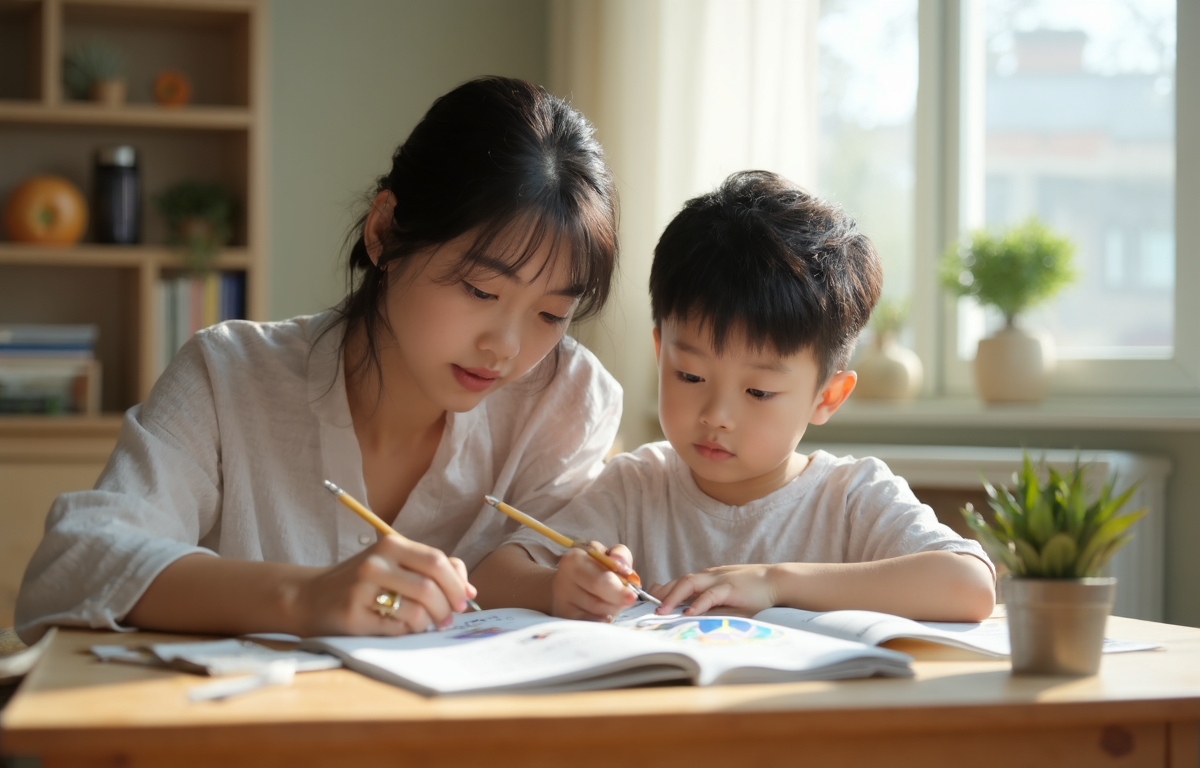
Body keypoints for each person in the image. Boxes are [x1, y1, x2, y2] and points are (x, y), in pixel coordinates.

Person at [15, 76, 621, 643]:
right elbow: (75, 564)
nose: (507, 348)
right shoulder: (230, 377)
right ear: (383, 230)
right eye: (480, 291)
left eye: (550, 314)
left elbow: (533, 585)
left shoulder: (564, 401)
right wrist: (304, 597)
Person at [473, 171, 996, 623]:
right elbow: (495, 575)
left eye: (759, 391)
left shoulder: (851, 498)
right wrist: (559, 586)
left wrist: (775, 583)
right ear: (661, 354)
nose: (716, 416)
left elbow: (969, 585)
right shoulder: (636, 488)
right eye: (691, 376)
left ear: (827, 397)